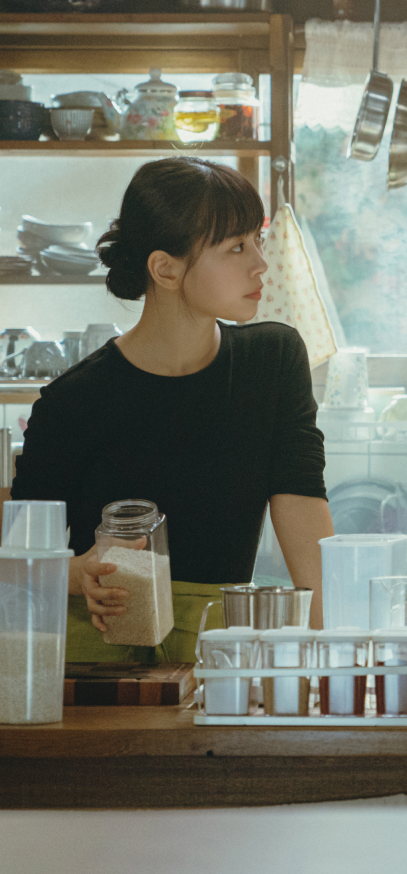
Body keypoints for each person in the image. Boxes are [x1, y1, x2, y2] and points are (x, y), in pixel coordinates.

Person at [11, 156, 335, 663]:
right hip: (95, 663)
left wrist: (337, 653)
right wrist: (76, 575)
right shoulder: (71, 402)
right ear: (165, 268)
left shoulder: (273, 359)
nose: (260, 264)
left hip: (219, 651)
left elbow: (301, 505)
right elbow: (17, 564)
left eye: (257, 240)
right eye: (236, 247)